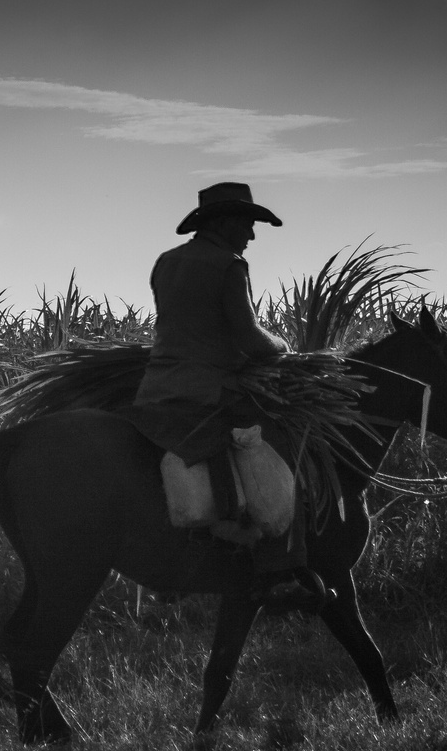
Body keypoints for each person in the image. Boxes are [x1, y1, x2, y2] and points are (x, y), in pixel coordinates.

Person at [128, 182, 328, 613]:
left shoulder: (166, 262)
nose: (251, 235)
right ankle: (280, 568)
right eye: (246, 224)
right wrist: (283, 349)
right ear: (222, 223)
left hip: (156, 386)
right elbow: (247, 336)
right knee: (283, 434)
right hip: (207, 389)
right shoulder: (227, 264)